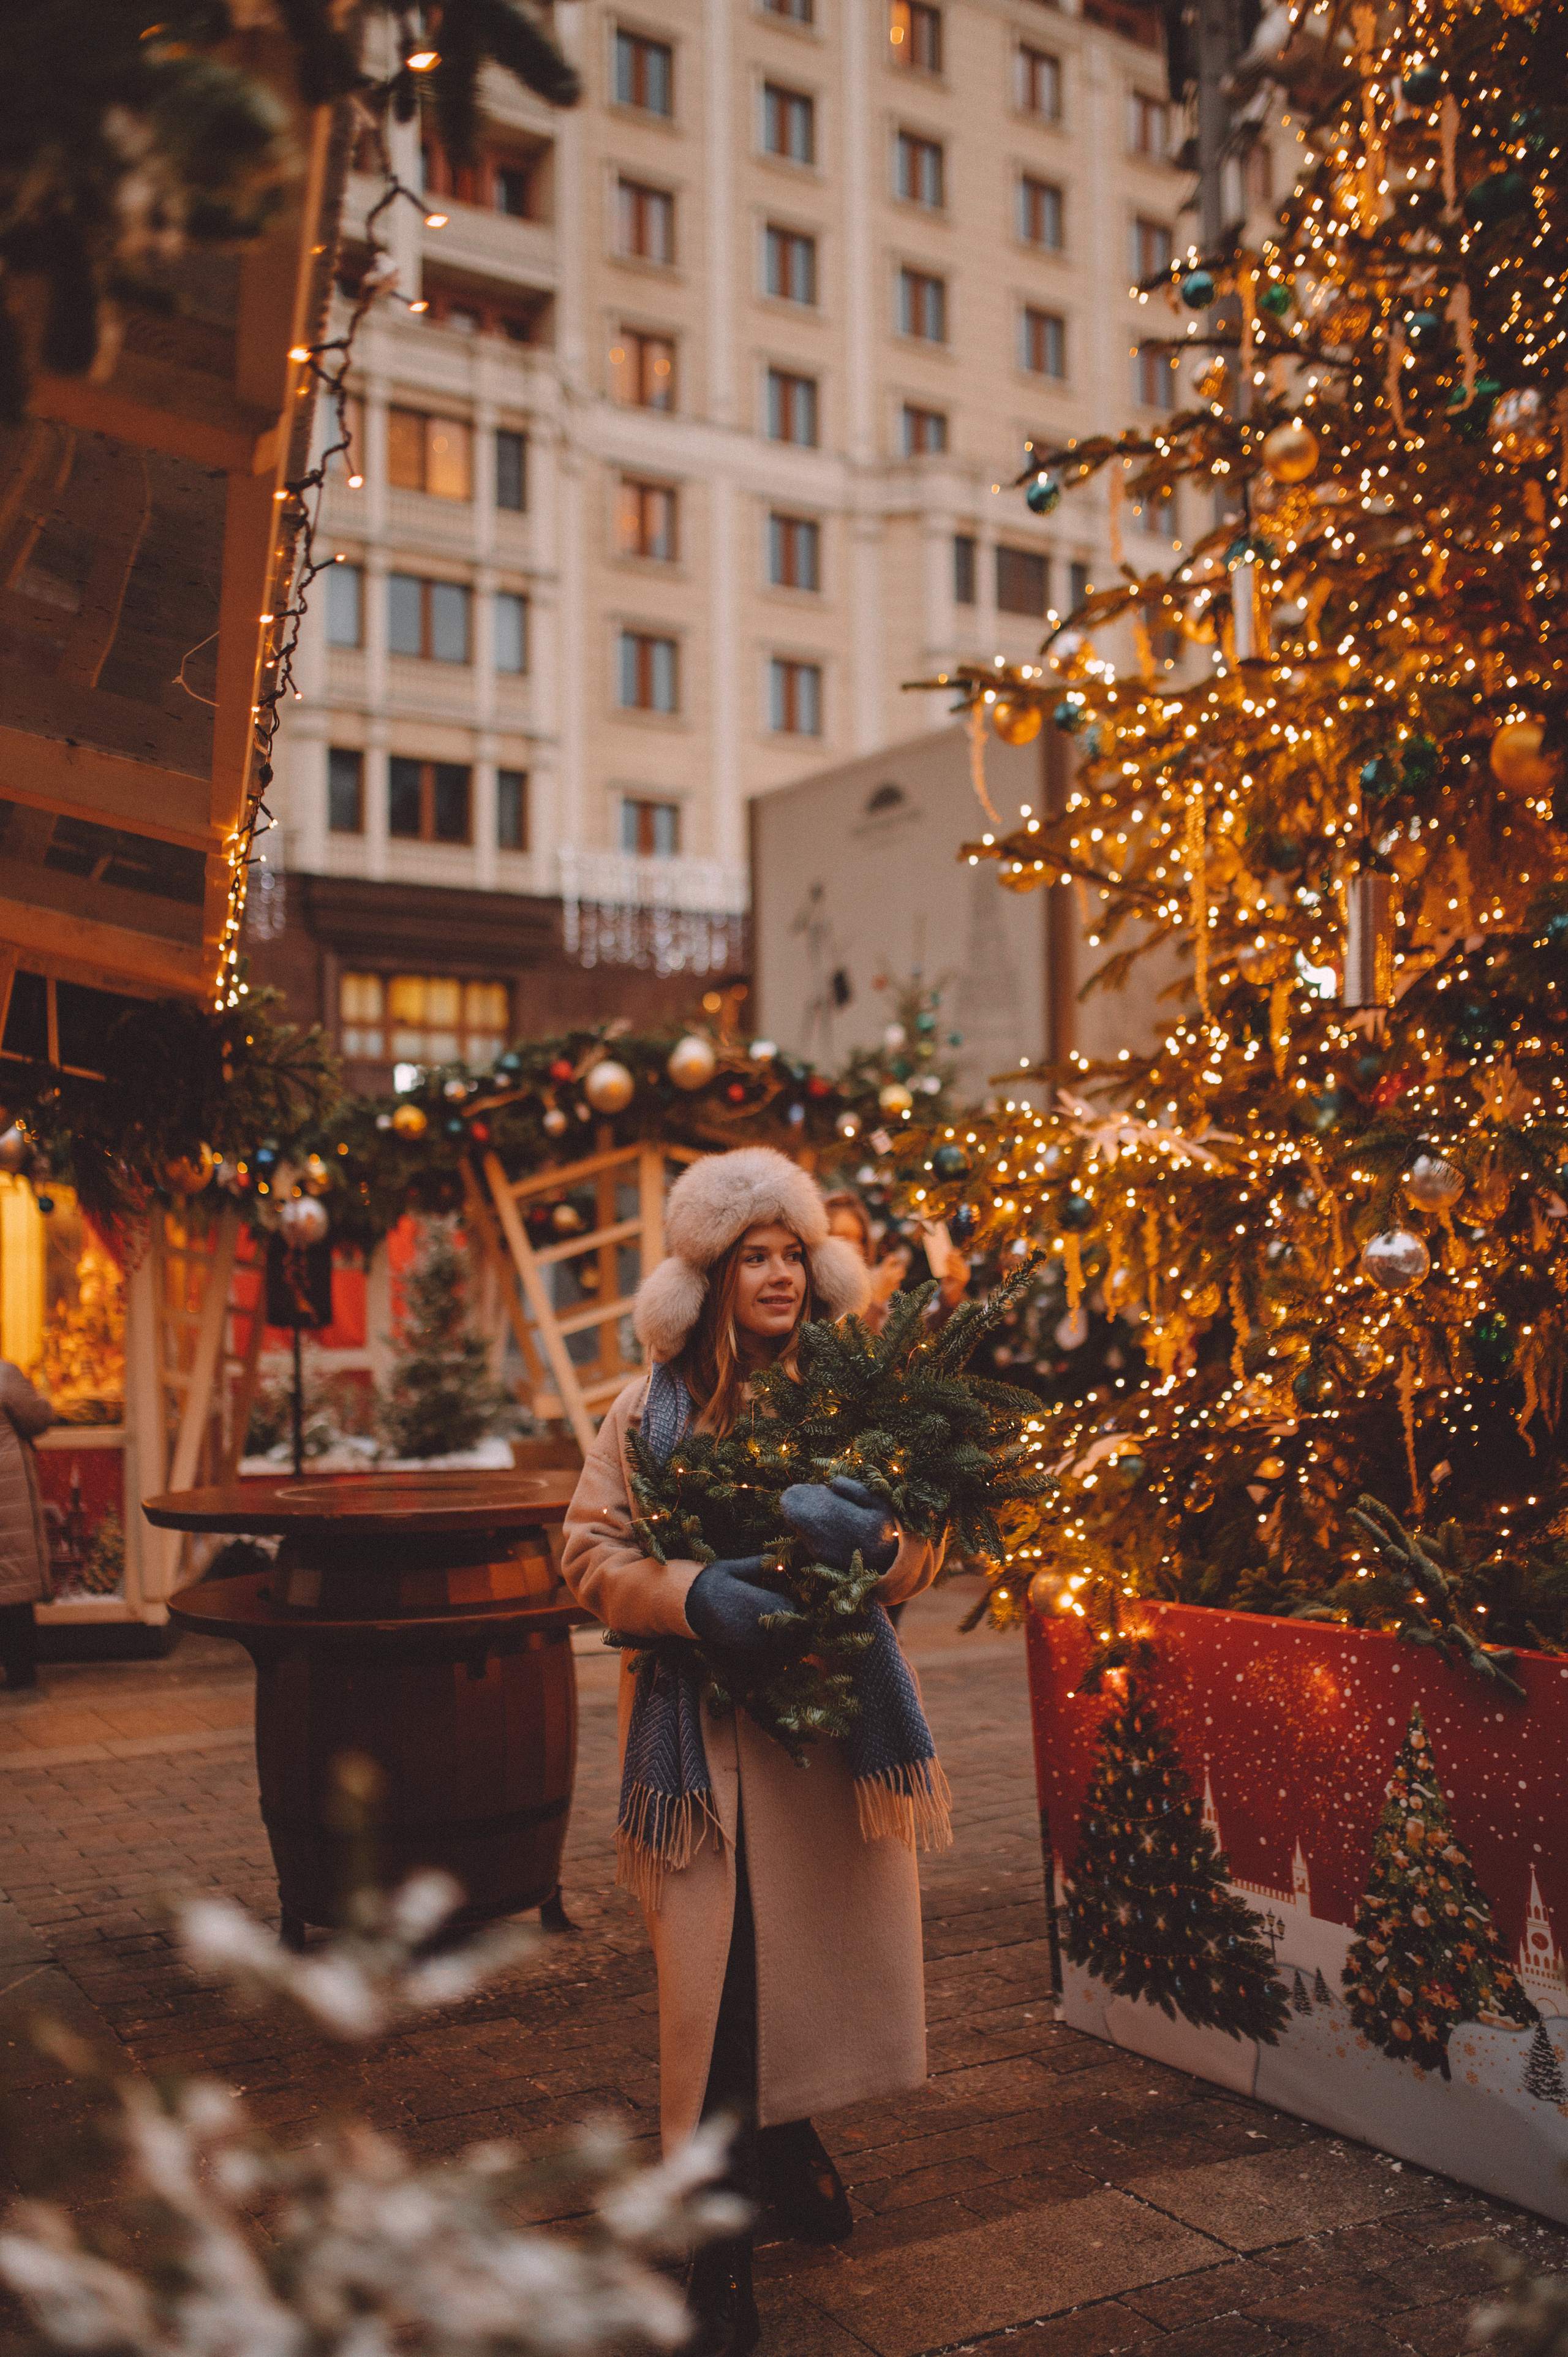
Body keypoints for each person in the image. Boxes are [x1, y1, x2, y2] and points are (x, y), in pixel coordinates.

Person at [562, 1150, 951, 2357]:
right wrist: (691, 1595)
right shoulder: (648, 1411)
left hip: (823, 1740)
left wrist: (875, 1546)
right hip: (701, 1743)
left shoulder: (850, 1399)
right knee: (720, 1993)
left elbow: (923, 1546)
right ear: (710, 1277)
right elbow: (587, 1552)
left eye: (792, 1252)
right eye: (753, 1257)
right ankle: (714, 2256)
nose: (778, 1274)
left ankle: (784, 2132)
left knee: (792, 1966)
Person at [0, 1360, 53, 1693]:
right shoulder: (4, 1375)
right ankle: (19, 1670)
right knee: (13, 1583)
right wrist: (44, 1396)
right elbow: (38, 1418)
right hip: (6, 1497)